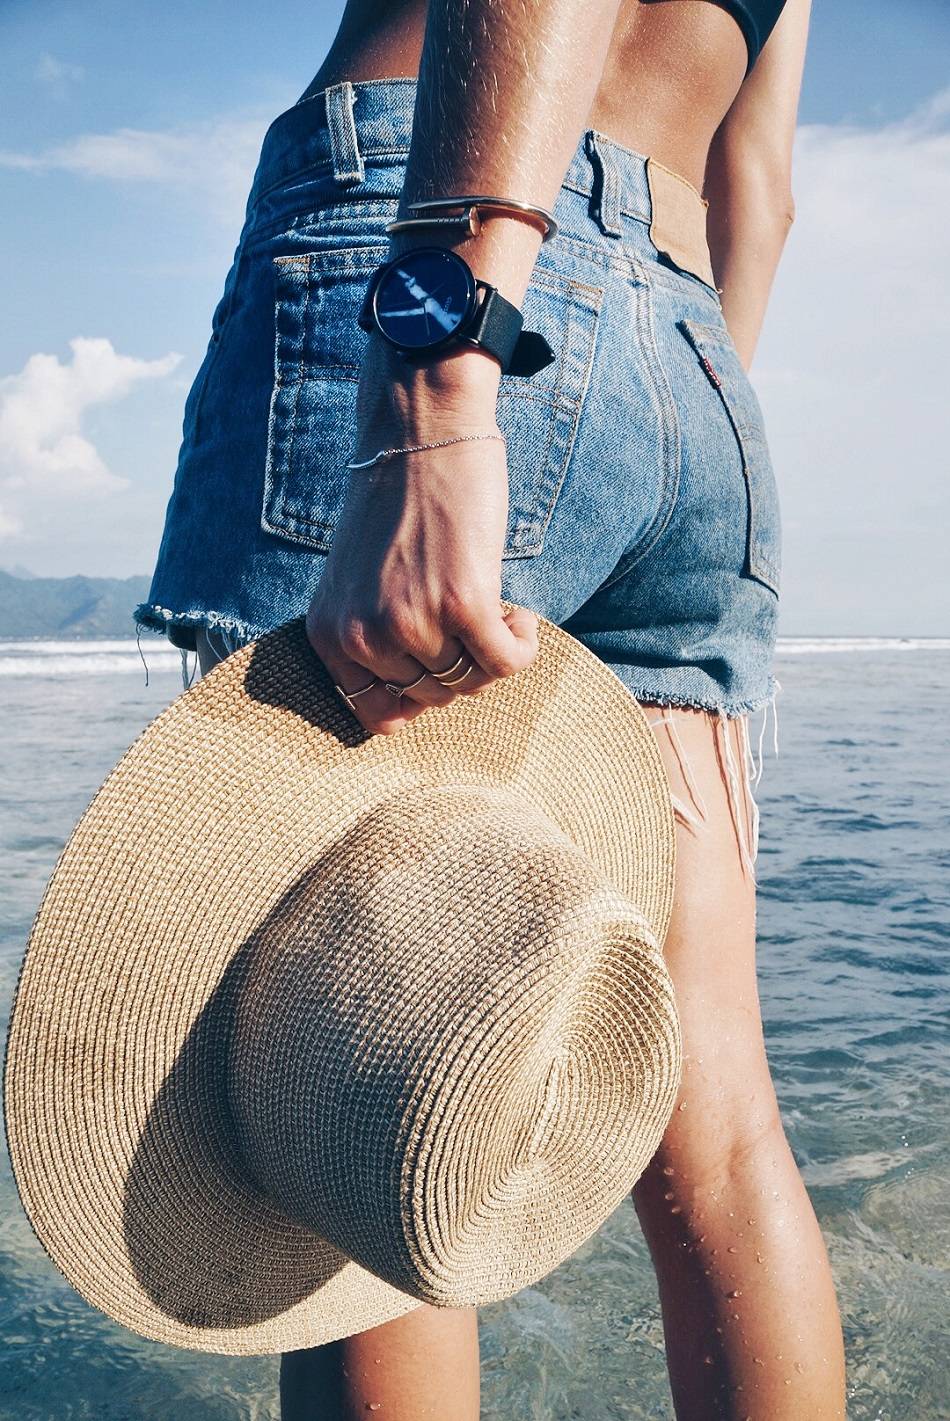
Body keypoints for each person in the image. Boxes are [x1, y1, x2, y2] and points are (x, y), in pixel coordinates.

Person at [133, 0, 848, 1415]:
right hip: (693, 333)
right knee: (716, 1132)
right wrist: (648, 409)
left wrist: (439, 368)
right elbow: (759, 177)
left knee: (350, 1079)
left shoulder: (444, 325)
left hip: (439, 233)